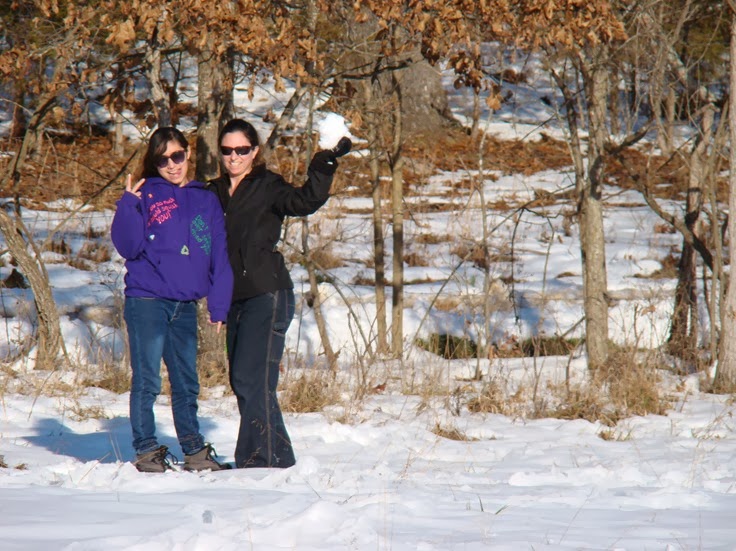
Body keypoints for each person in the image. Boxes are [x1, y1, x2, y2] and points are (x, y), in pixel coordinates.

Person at [207, 118, 350, 469]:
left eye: (242, 149)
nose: (234, 156)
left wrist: (325, 161)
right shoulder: (212, 192)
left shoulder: (267, 186)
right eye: (227, 150)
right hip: (234, 298)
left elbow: (305, 200)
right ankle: (276, 457)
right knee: (246, 381)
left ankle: (259, 459)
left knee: (250, 379)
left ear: (254, 151)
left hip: (267, 294)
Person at [111, 126, 234, 473]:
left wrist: (219, 303)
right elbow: (127, 246)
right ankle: (146, 450)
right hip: (148, 300)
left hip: (185, 304)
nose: (172, 164)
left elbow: (219, 253)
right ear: (154, 162)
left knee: (186, 382)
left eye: (177, 155)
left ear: (188, 153)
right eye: (163, 159)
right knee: (148, 380)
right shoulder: (145, 194)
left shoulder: (205, 199)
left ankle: (194, 451)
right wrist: (128, 205)